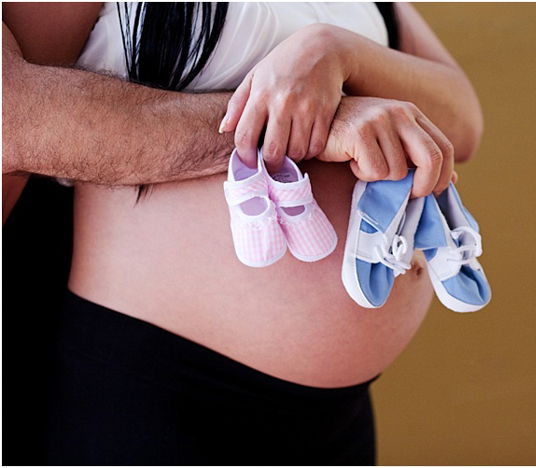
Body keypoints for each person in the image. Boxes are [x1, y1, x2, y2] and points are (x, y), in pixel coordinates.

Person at [2, 3, 483, 464]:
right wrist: (304, 124)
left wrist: (336, 50)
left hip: (336, 412)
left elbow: (462, 120)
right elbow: (15, 117)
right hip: (165, 385)